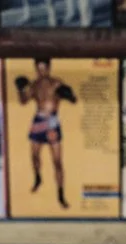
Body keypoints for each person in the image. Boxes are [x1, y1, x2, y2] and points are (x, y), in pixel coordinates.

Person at [15, 59, 76, 209]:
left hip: (52, 123)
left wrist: (69, 96)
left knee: (57, 162)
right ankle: (38, 178)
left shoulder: (57, 83)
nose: (41, 72)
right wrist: (20, 89)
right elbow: (23, 101)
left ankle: (61, 195)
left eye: (43, 69)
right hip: (38, 121)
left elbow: (73, 99)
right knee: (34, 156)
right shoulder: (34, 85)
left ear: (49, 68)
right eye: (38, 69)